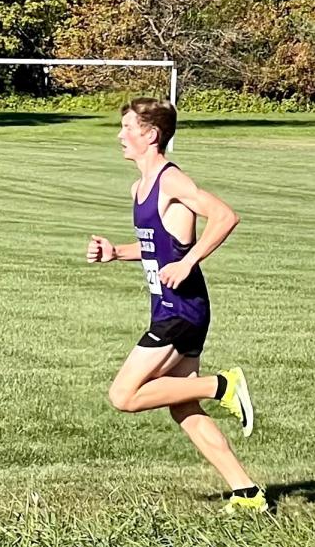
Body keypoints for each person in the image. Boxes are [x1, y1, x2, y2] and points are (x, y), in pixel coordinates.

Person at [86, 97, 265, 514]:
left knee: (124, 396)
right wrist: (116, 253)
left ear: (150, 134)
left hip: (181, 310)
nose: (120, 135)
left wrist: (189, 261)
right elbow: (156, 249)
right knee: (182, 407)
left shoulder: (172, 181)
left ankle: (222, 385)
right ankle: (247, 493)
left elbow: (224, 216)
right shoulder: (139, 187)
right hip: (171, 308)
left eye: (128, 127)